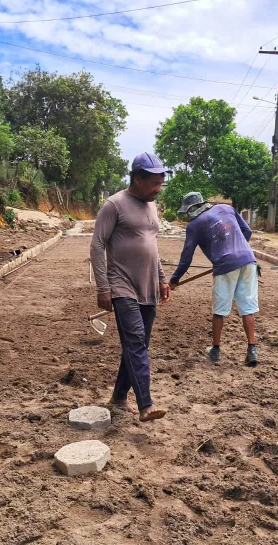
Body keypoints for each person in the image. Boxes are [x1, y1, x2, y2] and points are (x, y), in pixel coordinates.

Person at [90, 152, 171, 422]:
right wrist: (103, 287)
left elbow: (152, 245)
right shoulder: (114, 205)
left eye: (161, 183)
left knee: (136, 344)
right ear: (137, 179)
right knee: (136, 342)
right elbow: (97, 245)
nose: (158, 189)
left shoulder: (151, 206)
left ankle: (118, 397)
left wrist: (161, 277)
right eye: (154, 184)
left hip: (147, 286)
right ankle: (146, 404)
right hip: (121, 285)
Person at [169, 192, 259, 366]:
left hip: (225, 265)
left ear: (191, 209)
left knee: (220, 309)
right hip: (248, 259)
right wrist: (236, 250)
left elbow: (186, 257)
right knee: (247, 307)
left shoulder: (194, 225)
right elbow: (247, 231)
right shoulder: (227, 208)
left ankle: (216, 350)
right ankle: (252, 350)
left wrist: (175, 279)